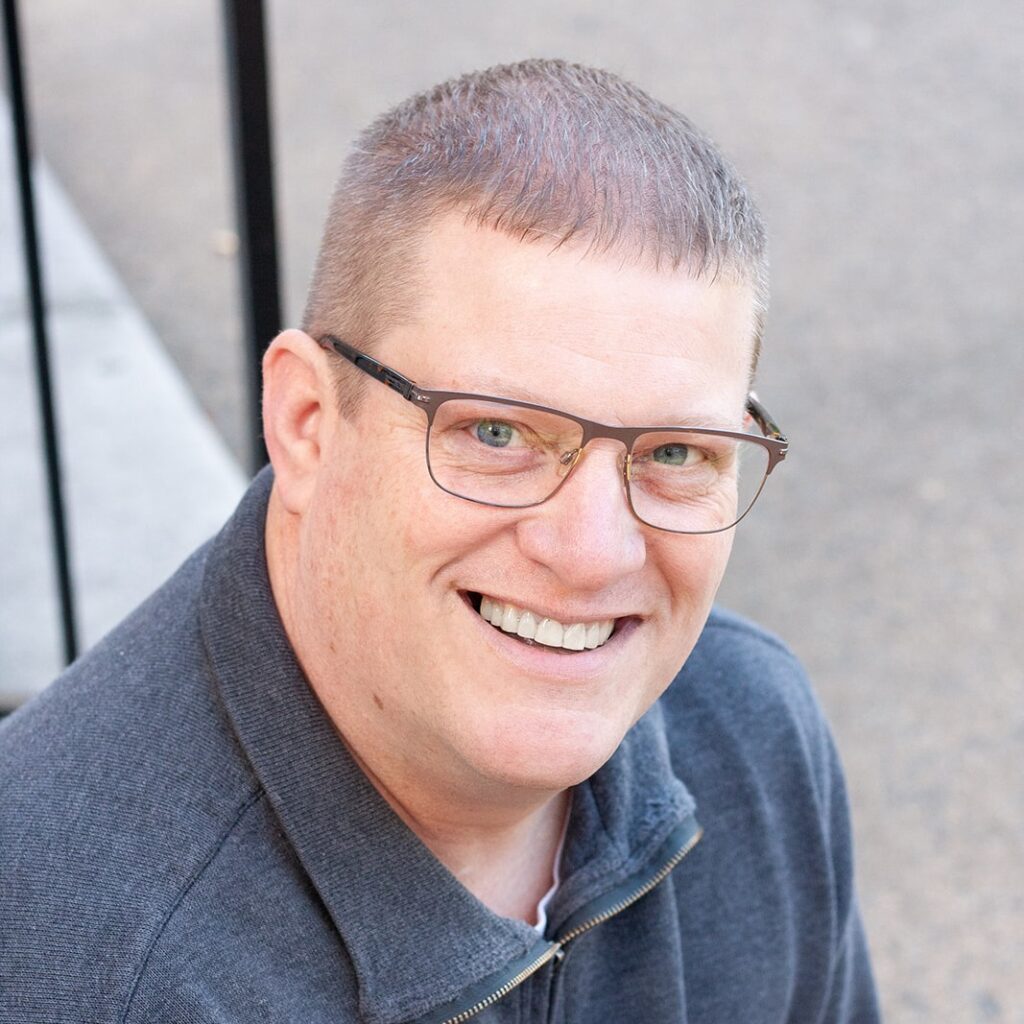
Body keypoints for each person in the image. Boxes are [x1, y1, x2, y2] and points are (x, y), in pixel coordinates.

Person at [0, 59, 879, 1023]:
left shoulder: (756, 738)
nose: (591, 552)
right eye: (495, 433)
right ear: (306, 422)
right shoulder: (74, 967)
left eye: (675, 451)